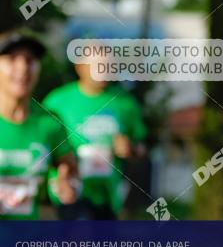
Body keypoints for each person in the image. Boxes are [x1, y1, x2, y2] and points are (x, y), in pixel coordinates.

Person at [43, 45, 147, 220]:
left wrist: (131, 150)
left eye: (108, 66)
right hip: (71, 191)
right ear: (80, 67)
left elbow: (142, 148)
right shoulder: (57, 101)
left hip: (108, 195)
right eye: (97, 66)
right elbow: (41, 142)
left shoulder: (125, 103)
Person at [0, 30, 79, 220]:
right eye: (12, 59)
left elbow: (70, 171)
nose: (22, 68)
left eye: (29, 60)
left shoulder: (50, 123)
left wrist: (65, 184)